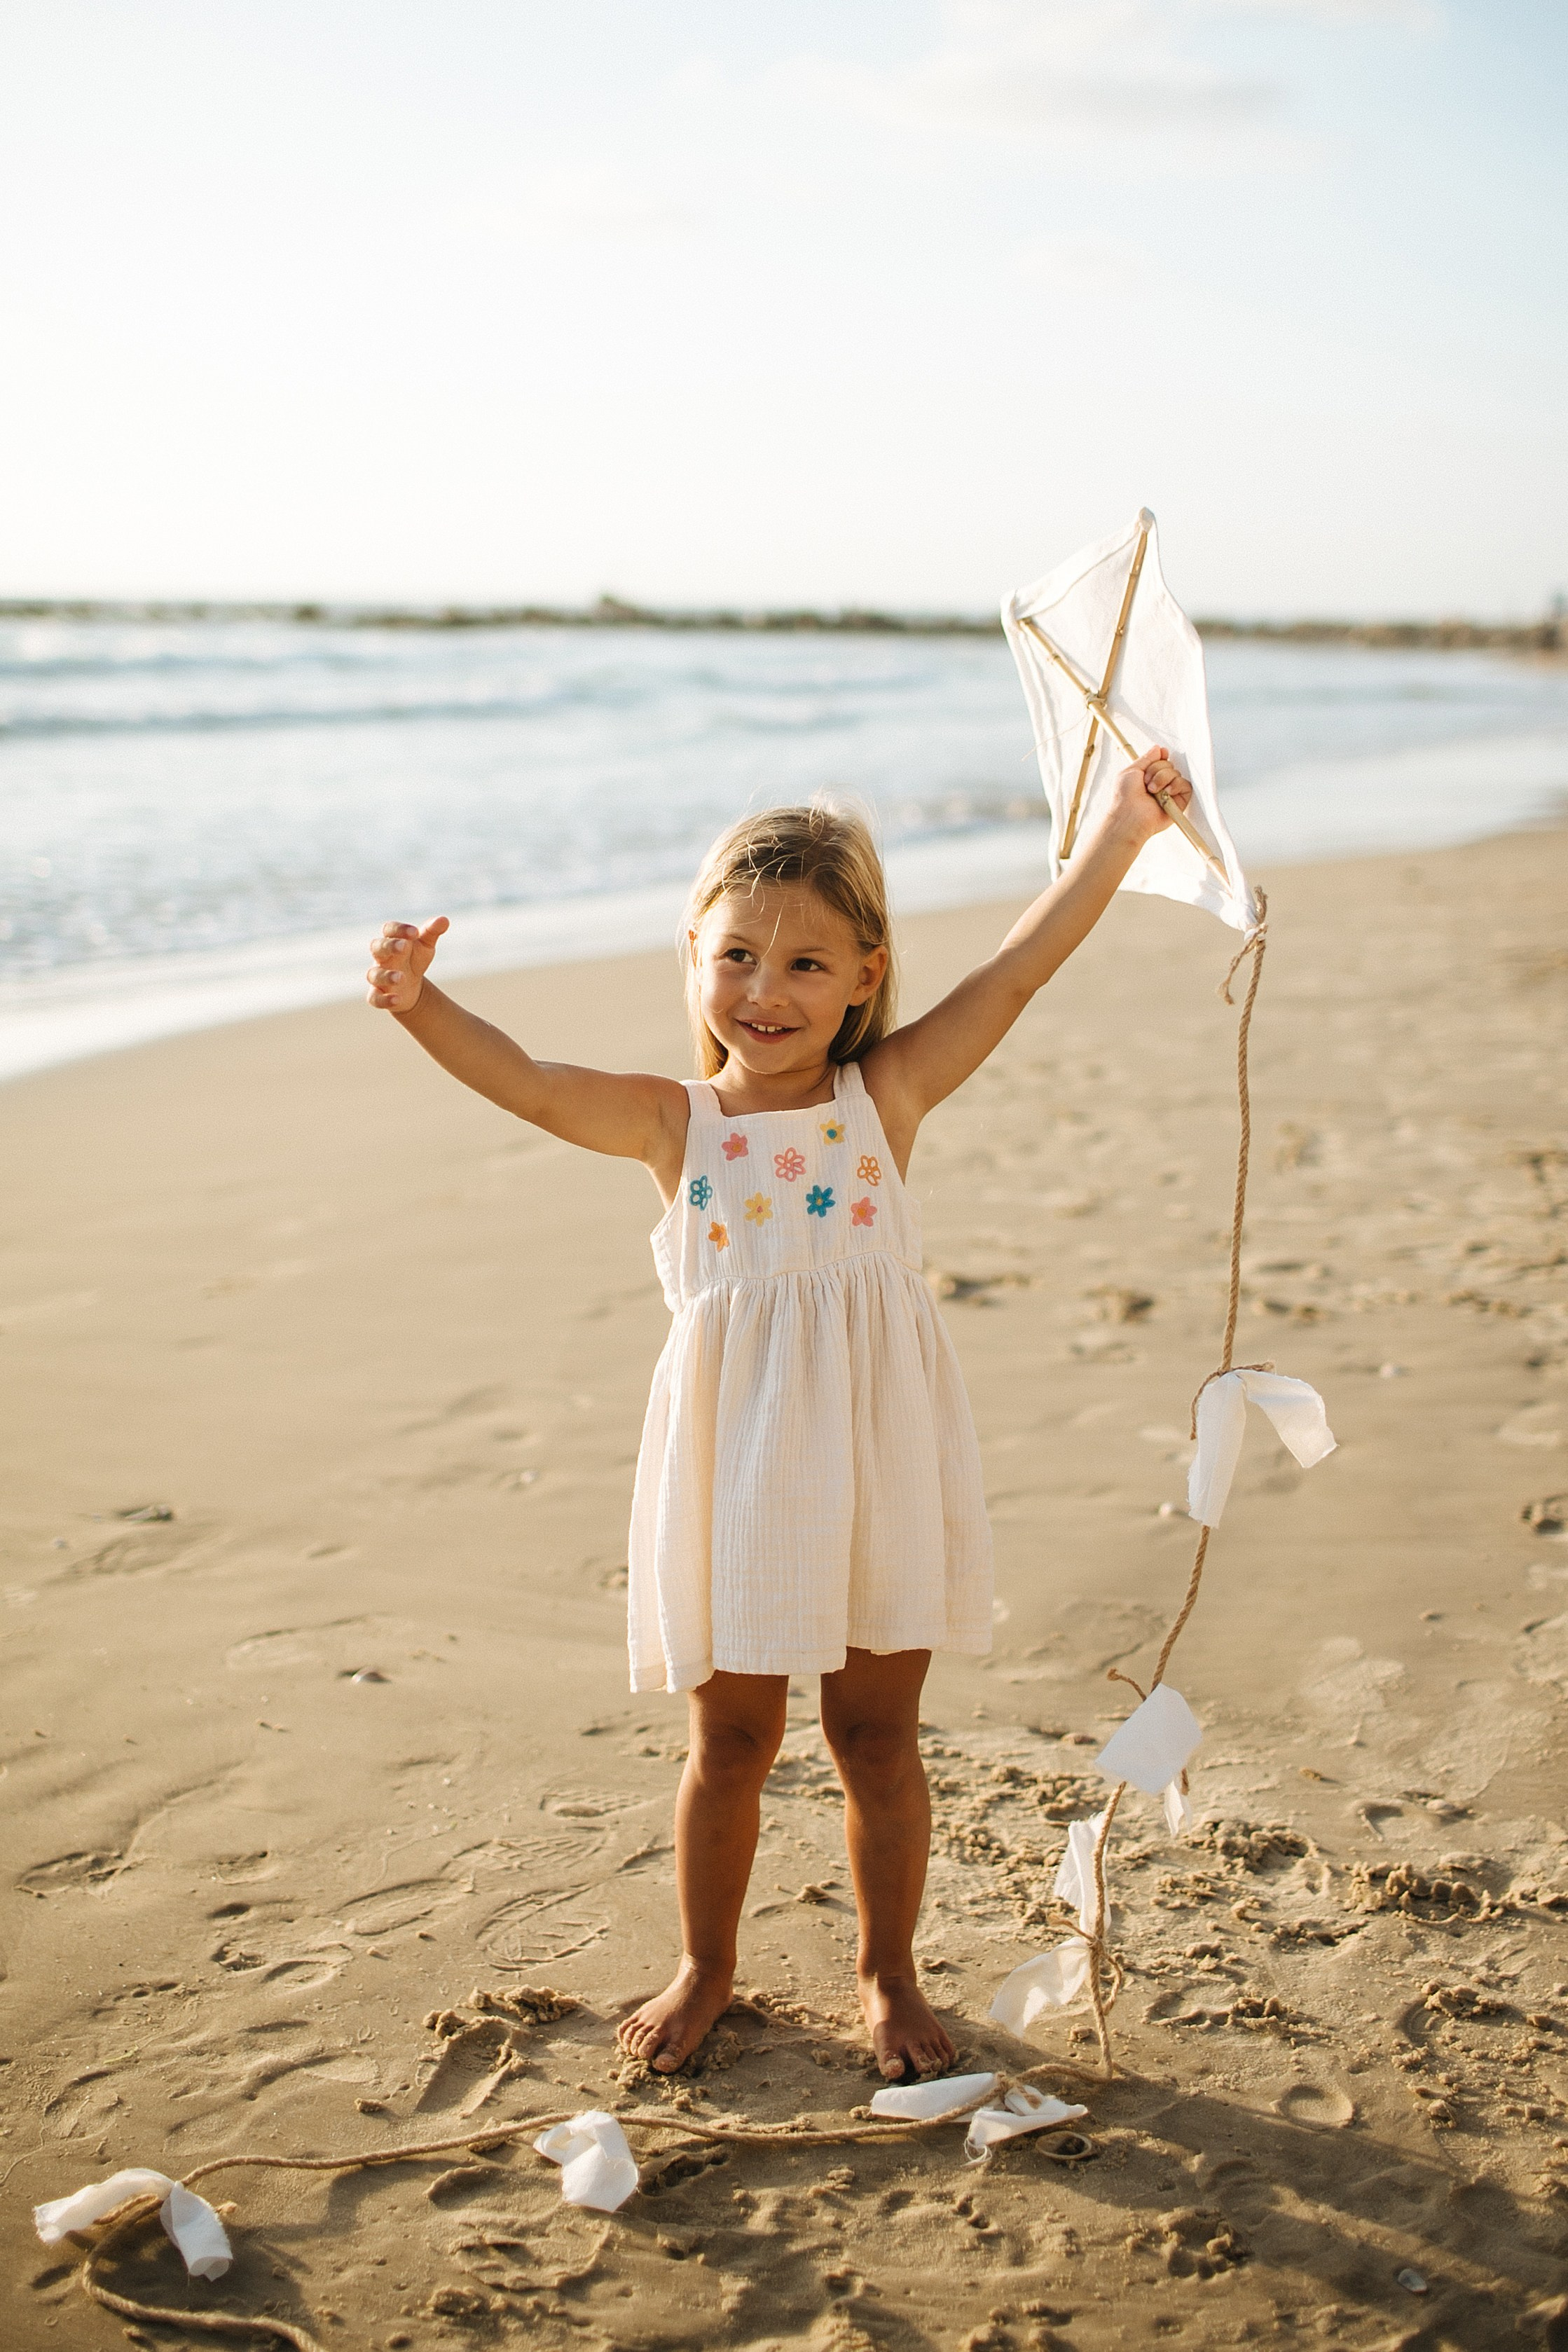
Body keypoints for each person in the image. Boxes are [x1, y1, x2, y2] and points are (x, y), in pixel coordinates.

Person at [366, 748, 1192, 2079]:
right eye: (738, 954)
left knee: (874, 1737)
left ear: (866, 974)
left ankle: (886, 1972)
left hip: (875, 1454)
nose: (766, 990)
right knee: (731, 1740)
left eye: (808, 963)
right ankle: (705, 1961)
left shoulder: (886, 1100)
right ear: (691, 951)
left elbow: (1017, 970)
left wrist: (1119, 829)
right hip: (736, 1469)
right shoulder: (671, 1125)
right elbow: (525, 1079)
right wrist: (419, 1002)